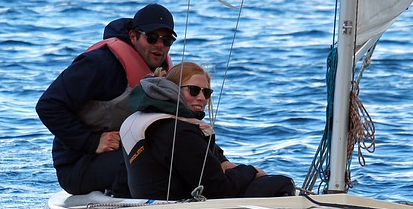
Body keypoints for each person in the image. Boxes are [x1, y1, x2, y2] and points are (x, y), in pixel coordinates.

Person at [36, 3, 178, 196]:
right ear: (134, 36)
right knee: (151, 165)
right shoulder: (99, 64)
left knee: (183, 153)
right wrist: (91, 141)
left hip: (127, 152)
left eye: (167, 40)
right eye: (152, 37)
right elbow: (48, 105)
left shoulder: (163, 73)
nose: (159, 45)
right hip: (80, 164)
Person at [121, 62, 295, 200]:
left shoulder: (150, 118)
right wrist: (252, 171)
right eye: (194, 90)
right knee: (281, 183)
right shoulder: (179, 131)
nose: (202, 98)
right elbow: (218, 189)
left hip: (153, 203)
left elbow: (218, 165)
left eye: (207, 93)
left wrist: (227, 167)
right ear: (172, 89)